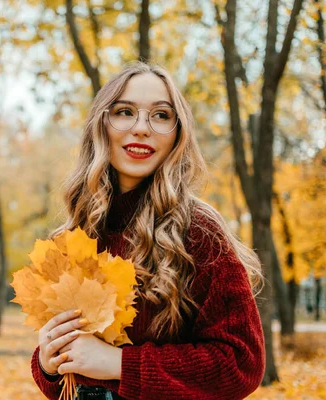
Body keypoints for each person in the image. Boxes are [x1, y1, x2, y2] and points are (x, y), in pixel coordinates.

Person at [31, 61, 265, 400]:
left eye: (161, 115)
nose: (142, 128)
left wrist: (121, 365)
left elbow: (241, 364)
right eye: (125, 112)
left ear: (177, 133)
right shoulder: (74, 235)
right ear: (101, 124)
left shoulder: (198, 231)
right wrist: (49, 364)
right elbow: (71, 378)